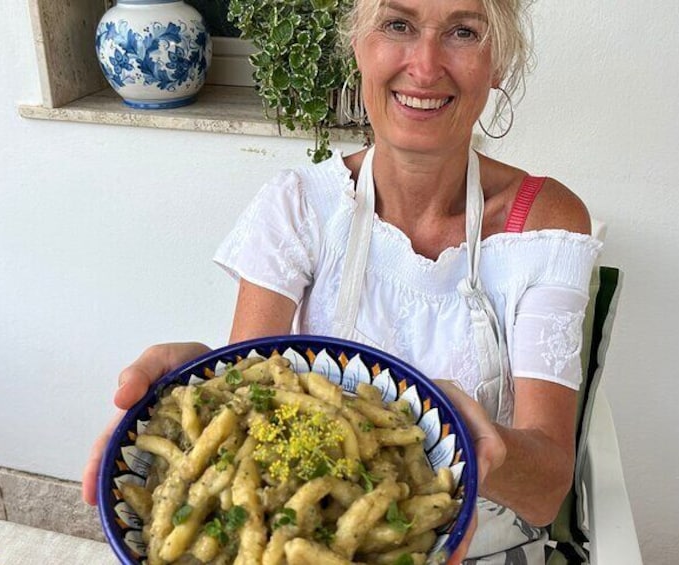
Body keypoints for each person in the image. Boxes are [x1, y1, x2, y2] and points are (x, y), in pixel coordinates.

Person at [83, 1, 602, 563]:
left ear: (496, 62)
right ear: (359, 46)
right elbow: (251, 395)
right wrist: (185, 393)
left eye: (463, 32)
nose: (425, 67)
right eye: (397, 25)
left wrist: (483, 446)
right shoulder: (301, 206)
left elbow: (548, 490)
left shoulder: (544, 223)